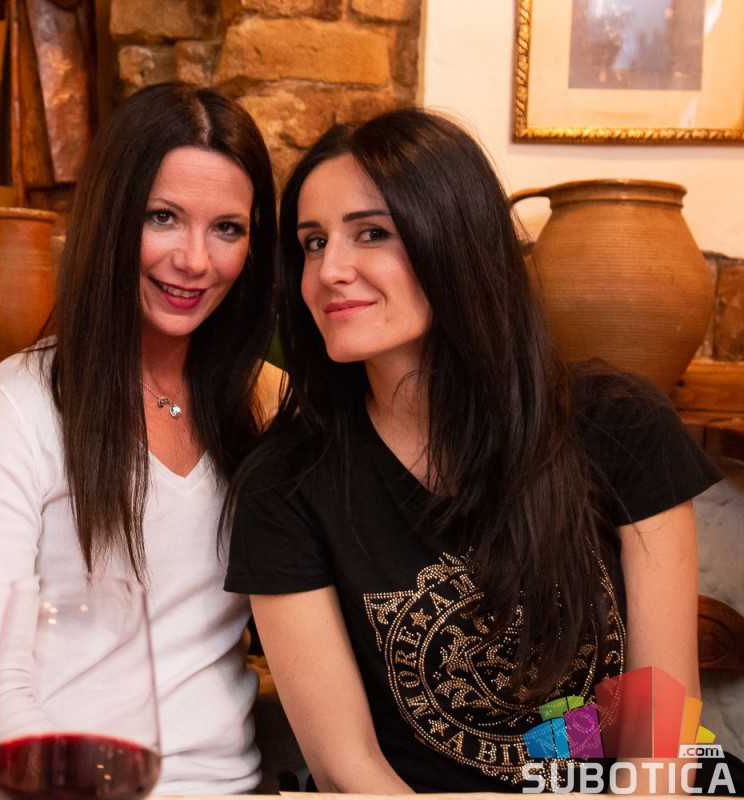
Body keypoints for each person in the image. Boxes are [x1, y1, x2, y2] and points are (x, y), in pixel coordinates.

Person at [225, 109, 722, 793]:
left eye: (371, 233)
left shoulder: (619, 425)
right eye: (313, 243)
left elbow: (661, 726)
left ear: (455, 241)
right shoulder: (285, 484)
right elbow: (348, 765)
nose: (329, 270)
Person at [0, 82, 281, 794]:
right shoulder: (17, 404)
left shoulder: (267, 401)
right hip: (52, 784)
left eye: (227, 228)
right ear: (111, 217)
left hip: (227, 786)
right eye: (163, 217)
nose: (195, 260)